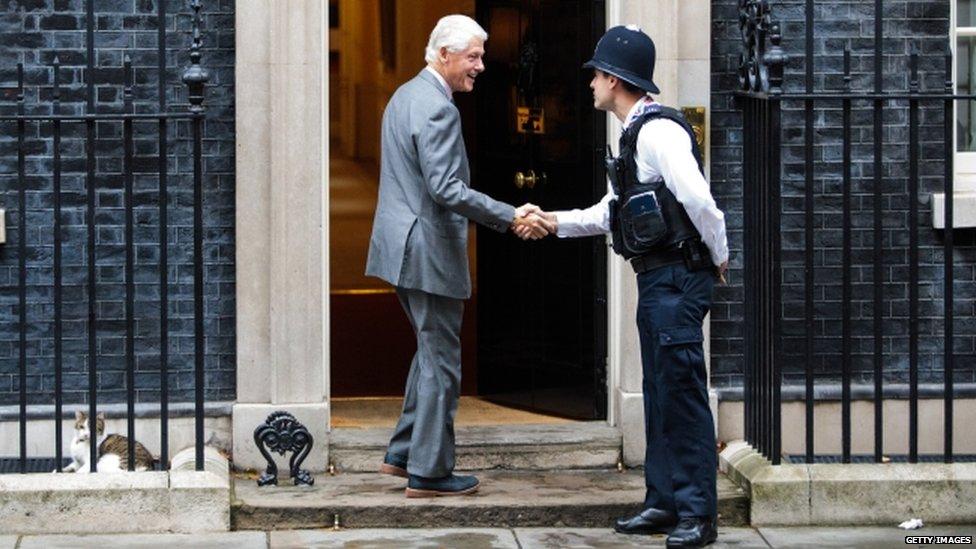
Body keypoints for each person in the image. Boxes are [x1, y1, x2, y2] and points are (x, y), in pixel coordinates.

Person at [516, 25, 728, 547]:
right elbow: (612, 213)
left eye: (594, 74)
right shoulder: (633, 132)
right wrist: (554, 220)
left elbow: (701, 201)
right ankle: (663, 503)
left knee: (682, 397)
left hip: (677, 278)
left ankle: (698, 516)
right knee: (660, 393)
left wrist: (721, 256)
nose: (589, 83)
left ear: (613, 78)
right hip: (659, 280)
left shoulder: (659, 132)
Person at [365, 14, 553, 498]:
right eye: (473, 56)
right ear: (443, 55)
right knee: (443, 361)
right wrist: (509, 214)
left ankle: (405, 452)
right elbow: (447, 188)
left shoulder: (406, 95)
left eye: (481, 56)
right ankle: (429, 472)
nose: (481, 66)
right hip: (426, 251)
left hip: (401, 248)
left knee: (429, 353)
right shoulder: (438, 109)